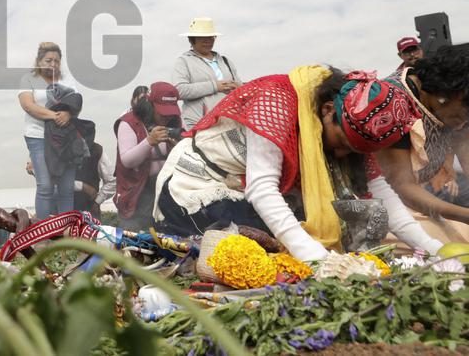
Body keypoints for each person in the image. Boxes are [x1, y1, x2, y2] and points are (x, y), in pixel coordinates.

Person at [154, 67, 443, 262]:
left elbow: (380, 191)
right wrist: (318, 261)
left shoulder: (354, 125)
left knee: (310, 232)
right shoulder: (276, 102)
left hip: (241, 190)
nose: (343, 154)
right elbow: (262, 189)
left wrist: (433, 248)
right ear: (327, 110)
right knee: (265, 251)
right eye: (342, 143)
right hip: (196, 189)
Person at [378, 47, 469, 227]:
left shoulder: (447, 107)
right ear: (449, 96)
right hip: (382, 205)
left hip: (414, 199)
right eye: (462, 118)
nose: (461, 125)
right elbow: (402, 185)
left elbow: (464, 151)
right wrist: (465, 215)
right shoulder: (394, 104)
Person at [18, 41, 78, 219]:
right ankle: (42, 236)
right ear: (39, 61)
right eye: (48, 60)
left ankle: (66, 237)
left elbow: (76, 103)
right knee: (45, 186)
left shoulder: (68, 80)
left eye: (57, 61)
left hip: (65, 138)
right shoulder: (28, 79)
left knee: (66, 188)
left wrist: (68, 114)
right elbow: (28, 105)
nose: (53, 64)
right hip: (37, 136)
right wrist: (55, 116)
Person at [113, 83, 180, 231]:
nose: (166, 117)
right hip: (136, 193)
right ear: (150, 105)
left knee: (169, 240)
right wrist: (150, 141)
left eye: (170, 113)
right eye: (162, 112)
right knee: (136, 242)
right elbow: (127, 161)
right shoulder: (129, 122)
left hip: (166, 192)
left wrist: (178, 147)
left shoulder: (175, 121)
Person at [172, 17, 242, 130]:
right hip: (199, 125)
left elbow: (240, 87)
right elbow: (179, 90)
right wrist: (215, 86)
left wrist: (239, 88)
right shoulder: (183, 61)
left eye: (210, 37)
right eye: (202, 38)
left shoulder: (225, 61)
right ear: (192, 40)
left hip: (230, 124)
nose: (207, 41)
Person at [73, 127, 116, 219]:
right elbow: (52, 182)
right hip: (61, 210)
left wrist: (97, 201)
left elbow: (112, 180)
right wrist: (82, 186)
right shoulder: (58, 151)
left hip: (89, 210)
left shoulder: (96, 150)